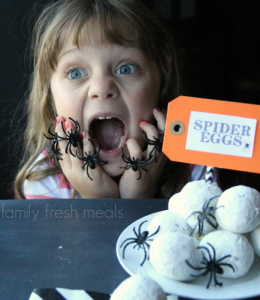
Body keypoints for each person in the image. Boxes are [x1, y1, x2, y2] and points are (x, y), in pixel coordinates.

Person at [14, 0, 206, 200]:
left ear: (162, 83)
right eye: (75, 73)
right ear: (50, 96)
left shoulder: (195, 170)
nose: (101, 88)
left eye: (126, 69)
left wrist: (140, 198)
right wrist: (98, 203)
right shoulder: (44, 182)